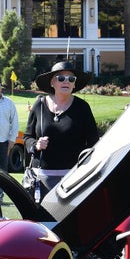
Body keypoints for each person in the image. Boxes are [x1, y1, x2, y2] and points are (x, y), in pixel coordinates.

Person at [24, 61, 100, 201]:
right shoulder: (39, 105)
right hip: (41, 179)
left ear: (74, 84)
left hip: (72, 180)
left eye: (71, 79)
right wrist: (35, 145)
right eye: (61, 78)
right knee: (41, 220)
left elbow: (93, 143)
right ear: (52, 82)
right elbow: (27, 137)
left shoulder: (82, 107)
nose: (66, 82)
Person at [0, 78, 20, 171]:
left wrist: (12, 139)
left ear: (1, 88)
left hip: (3, 142)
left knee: (3, 170)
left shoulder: (9, 102)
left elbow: (14, 122)